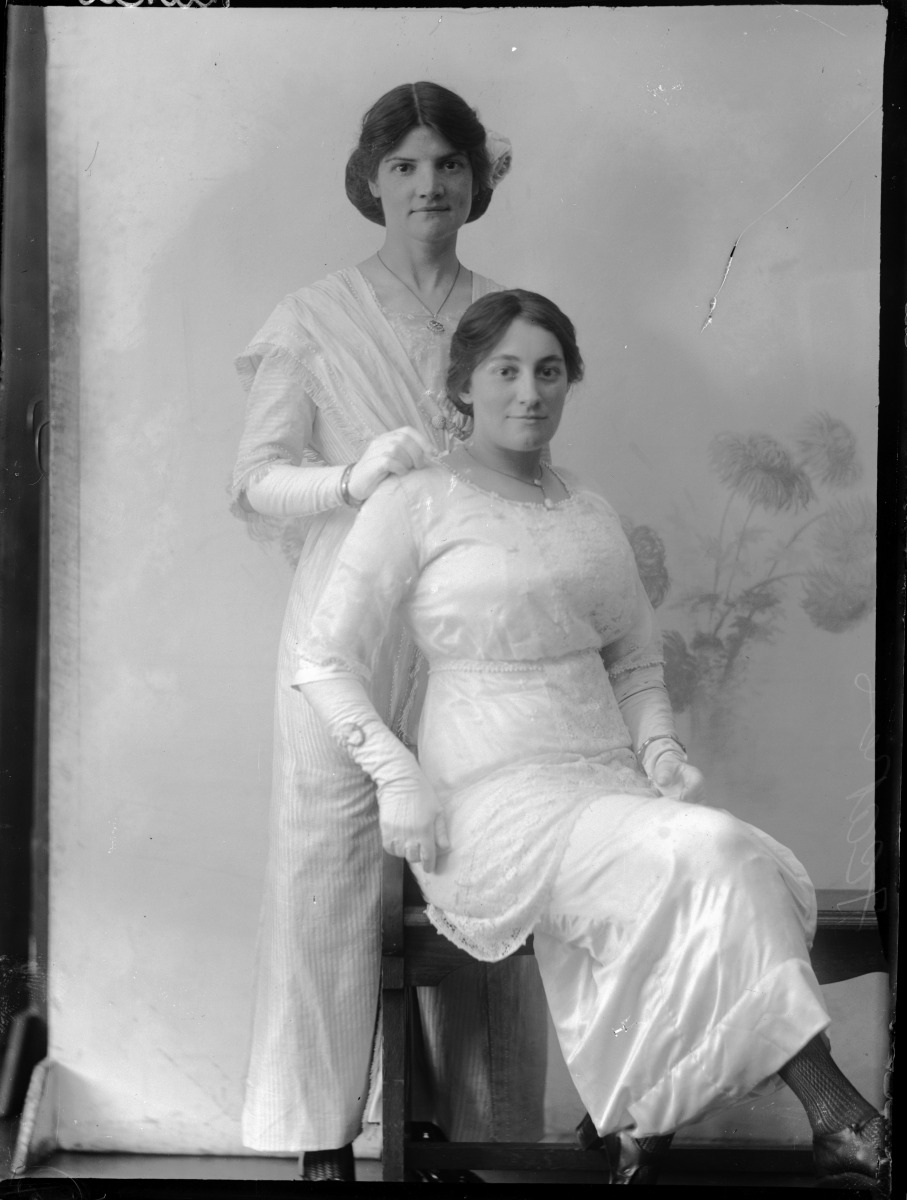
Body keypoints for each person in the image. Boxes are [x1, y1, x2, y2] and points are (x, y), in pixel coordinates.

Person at [294, 289, 889, 1191]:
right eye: (504, 371)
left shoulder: (588, 511)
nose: (528, 392)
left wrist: (658, 752)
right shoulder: (414, 503)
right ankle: (832, 1115)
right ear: (463, 385)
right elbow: (322, 658)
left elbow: (637, 664)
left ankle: (687, 1115)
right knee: (723, 854)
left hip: (607, 787)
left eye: (546, 371)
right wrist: (395, 775)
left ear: (569, 381)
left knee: (731, 864)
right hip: (485, 804)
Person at [231, 84, 549, 1182]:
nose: (428, 184)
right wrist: (349, 474)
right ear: (370, 177)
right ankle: (321, 1137)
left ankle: (484, 1132)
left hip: (467, 614)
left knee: (484, 847)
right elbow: (256, 481)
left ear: (476, 176)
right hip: (343, 619)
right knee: (326, 864)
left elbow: (523, 456)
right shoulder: (312, 316)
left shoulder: (502, 310)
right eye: (406, 164)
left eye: (447, 163)